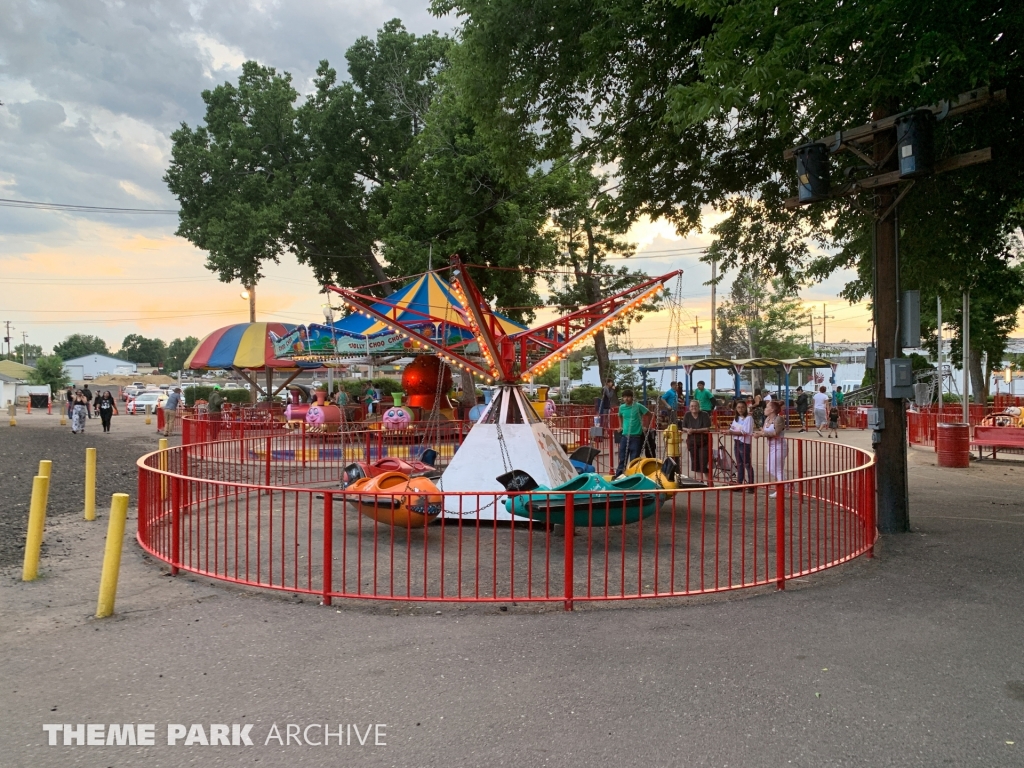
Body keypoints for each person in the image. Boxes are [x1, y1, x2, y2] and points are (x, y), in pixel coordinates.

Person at [756, 399, 788, 495]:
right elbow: (765, 431)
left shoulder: (779, 419)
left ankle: (781, 489)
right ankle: (786, 484)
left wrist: (761, 434)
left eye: (767, 407)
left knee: (777, 469)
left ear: (772, 409)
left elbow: (775, 433)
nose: (765, 409)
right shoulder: (767, 419)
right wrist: (760, 433)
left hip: (780, 446)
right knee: (770, 468)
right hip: (772, 447)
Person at [614, 389, 648, 476]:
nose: (626, 399)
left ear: (632, 398)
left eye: (628, 397)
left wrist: (646, 426)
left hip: (636, 436)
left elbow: (649, 413)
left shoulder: (638, 406)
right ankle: (619, 475)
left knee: (634, 459)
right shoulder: (622, 407)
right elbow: (620, 416)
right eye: (624, 397)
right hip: (625, 436)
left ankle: (632, 476)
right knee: (622, 458)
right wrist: (620, 426)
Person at [681, 398, 712, 482]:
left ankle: (709, 481)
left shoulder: (704, 414)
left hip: (704, 441)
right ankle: (699, 480)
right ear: (689, 407)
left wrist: (695, 430)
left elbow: (707, 428)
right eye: (691, 406)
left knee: (704, 461)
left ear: (699, 407)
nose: (693, 407)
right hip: (692, 441)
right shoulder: (687, 415)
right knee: (695, 461)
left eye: (695, 406)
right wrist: (687, 430)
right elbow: (683, 426)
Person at [728, 400, 755, 491]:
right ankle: (739, 484)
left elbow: (745, 432)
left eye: (742, 407)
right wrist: (730, 431)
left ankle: (751, 485)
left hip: (744, 443)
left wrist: (731, 432)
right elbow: (732, 428)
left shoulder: (749, 418)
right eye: (738, 407)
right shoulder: (736, 418)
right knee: (739, 464)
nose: (740, 409)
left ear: (746, 408)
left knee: (747, 464)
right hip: (737, 442)